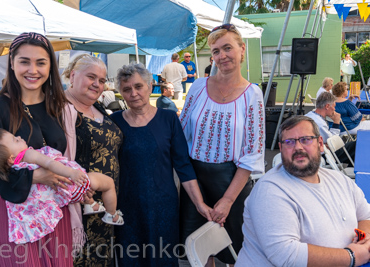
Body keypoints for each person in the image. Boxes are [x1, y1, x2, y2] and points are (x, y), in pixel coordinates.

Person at [0, 32, 74, 265]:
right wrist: (39, 176)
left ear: (51, 65)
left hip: (52, 210)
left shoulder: (56, 105)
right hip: (15, 214)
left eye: (41, 62)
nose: (33, 70)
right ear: (12, 63)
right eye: (24, 61)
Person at [180, 23, 265, 266]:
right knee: (200, 248)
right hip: (195, 180)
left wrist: (227, 200)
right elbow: (182, 134)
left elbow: (252, 152)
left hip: (231, 182)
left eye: (227, 48)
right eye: (216, 51)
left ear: (242, 50)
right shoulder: (197, 86)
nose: (221, 56)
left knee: (233, 248)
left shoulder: (252, 94)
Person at [111, 62, 212, 266]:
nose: (134, 93)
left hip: (163, 206)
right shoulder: (114, 122)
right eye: (127, 89)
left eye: (138, 86)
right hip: (126, 207)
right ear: (121, 93)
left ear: (150, 86)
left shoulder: (168, 119)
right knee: (131, 259)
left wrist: (200, 203)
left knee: (163, 258)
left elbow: (183, 165)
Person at [236, 116, 370, 267]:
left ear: (320, 144)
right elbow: (287, 256)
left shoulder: (338, 179)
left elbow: (365, 215)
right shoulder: (270, 191)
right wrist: (351, 256)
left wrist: (366, 240)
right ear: (281, 149)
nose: (298, 147)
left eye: (306, 139)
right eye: (289, 142)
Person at [0, 128, 123, 241]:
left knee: (93, 187)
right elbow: (50, 163)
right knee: (108, 183)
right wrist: (71, 173)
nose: (19, 137)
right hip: (71, 184)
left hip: (63, 195)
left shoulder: (13, 170)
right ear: (11, 158)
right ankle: (111, 214)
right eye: (15, 140)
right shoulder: (28, 155)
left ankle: (91, 204)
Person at [62, 54, 123, 266]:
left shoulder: (97, 107)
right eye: (91, 77)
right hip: (80, 205)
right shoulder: (59, 109)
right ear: (72, 75)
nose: (97, 84)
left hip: (104, 208)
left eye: (102, 80)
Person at [305, 92, 356, 166]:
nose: (334, 109)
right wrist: (336, 122)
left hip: (322, 151)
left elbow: (329, 141)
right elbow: (333, 141)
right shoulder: (319, 123)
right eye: (334, 106)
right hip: (325, 155)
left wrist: (326, 143)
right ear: (327, 106)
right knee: (355, 146)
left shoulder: (311, 114)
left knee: (352, 147)